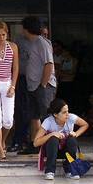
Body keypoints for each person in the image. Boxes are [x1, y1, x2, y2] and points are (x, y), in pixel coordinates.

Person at [20, 16, 57, 155]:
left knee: (46, 116)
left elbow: (49, 64)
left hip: (43, 87)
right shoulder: (32, 43)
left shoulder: (42, 43)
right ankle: (35, 143)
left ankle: (50, 145)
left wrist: (43, 84)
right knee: (34, 116)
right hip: (33, 86)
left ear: (27, 29)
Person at [34, 98, 89, 180]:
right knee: (53, 139)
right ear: (55, 114)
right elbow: (36, 143)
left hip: (66, 151)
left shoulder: (71, 117)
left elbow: (85, 125)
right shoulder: (48, 121)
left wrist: (76, 133)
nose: (67, 114)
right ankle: (50, 171)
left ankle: (70, 169)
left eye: (67, 111)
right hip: (51, 151)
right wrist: (52, 134)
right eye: (64, 112)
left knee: (72, 139)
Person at [0, 21, 18, 162]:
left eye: (3, 34)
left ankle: (2, 141)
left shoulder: (13, 47)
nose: (1, 37)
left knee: (8, 120)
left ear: (7, 34)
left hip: (8, 83)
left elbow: (16, 68)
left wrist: (13, 86)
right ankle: (0, 150)